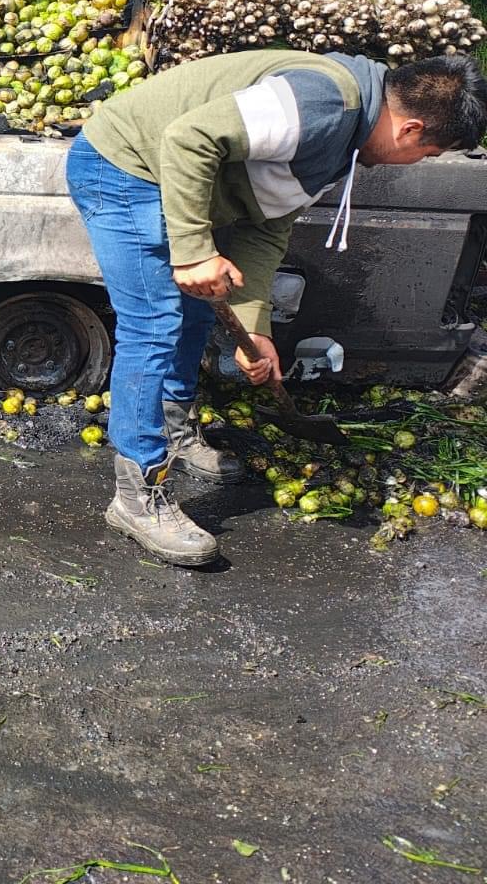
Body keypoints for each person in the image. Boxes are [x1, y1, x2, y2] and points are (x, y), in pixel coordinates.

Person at [67, 50, 487, 566]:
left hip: (183, 181)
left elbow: (267, 226)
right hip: (126, 167)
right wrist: (196, 250)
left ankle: (175, 431)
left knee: (199, 311)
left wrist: (255, 327)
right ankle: (137, 494)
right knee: (155, 325)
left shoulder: (348, 136)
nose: (417, 163)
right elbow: (188, 139)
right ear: (411, 129)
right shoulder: (321, 105)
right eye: (427, 153)